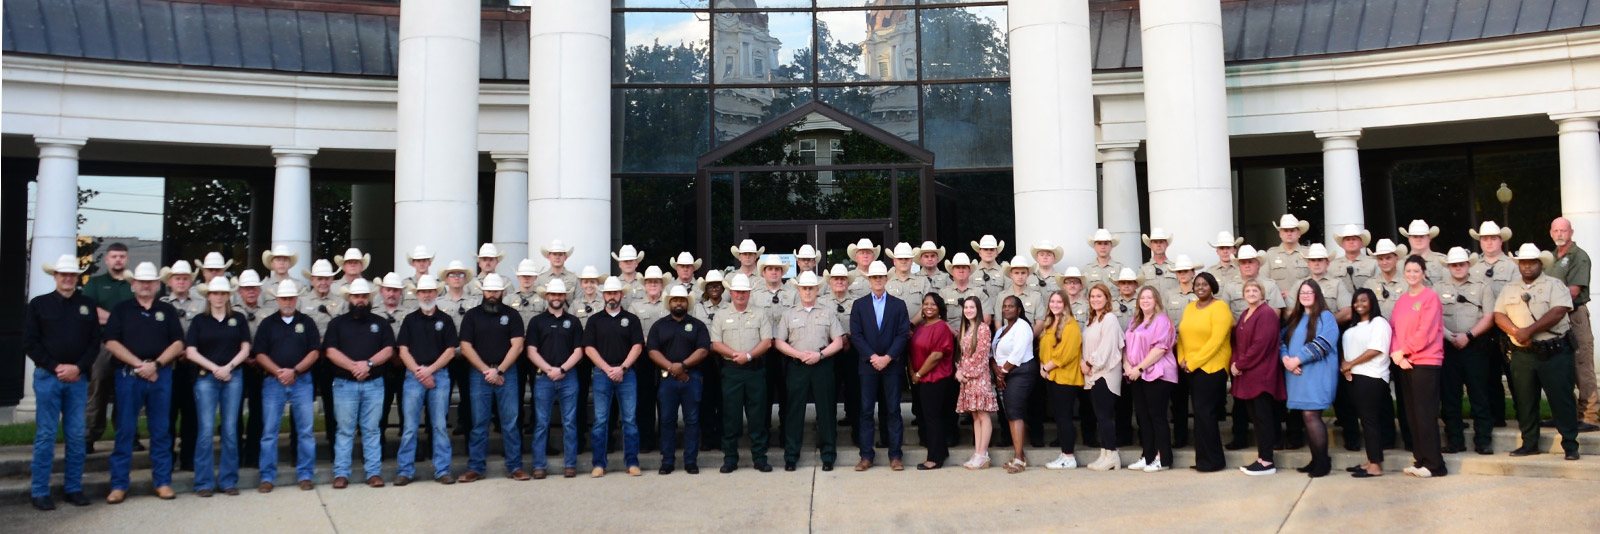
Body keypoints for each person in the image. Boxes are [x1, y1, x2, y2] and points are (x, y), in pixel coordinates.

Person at [103, 262, 184, 503]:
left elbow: (178, 343)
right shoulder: (121, 310)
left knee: (161, 431)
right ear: (133, 285)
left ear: (157, 284)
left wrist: (156, 365)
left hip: (161, 375)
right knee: (125, 430)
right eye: (141, 282)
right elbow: (111, 342)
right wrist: (140, 365)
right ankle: (118, 485)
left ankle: (162, 482)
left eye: (150, 282)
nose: (146, 285)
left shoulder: (167, 310)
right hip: (129, 375)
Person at [25, 254, 99, 510]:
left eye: (72, 275)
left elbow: (94, 343)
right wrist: (56, 367)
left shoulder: (87, 305)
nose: (68, 278)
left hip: (78, 380)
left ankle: (73, 488)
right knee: (46, 435)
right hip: (48, 377)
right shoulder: (38, 304)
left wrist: (77, 368)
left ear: (78, 278)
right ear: (55, 277)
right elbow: (30, 342)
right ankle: (39, 491)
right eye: (63, 274)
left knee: (77, 436)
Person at [1496, 243, 1581, 460]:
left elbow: (1558, 312)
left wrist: (1528, 331)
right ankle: (1529, 443)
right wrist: (1516, 332)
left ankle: (1570, 445)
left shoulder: (1555, 285)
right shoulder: (1510, 288)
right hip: (1522, 353)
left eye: (1532, 262)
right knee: (1525, 401)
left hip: (1554, 352)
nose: (1527, 266)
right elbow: (1499, 315)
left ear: (1540, 264)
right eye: (1523, 262)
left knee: (1561, 399)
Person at [322, 278, 396, 489]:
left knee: (372, 430)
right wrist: (353, 366)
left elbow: (389, 350)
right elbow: (330, 351)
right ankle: (341, 473)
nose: (360, 300)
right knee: (344, 430)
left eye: (364, 296)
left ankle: (373, 473)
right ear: (350, 298)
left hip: (374, 384)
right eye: (357, 296)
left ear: (369, 299)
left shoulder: (380, 323)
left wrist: (368, 364)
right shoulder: (337, 323)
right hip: (345, 384)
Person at [185, 277, 252, 497]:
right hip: (206, 378)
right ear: (208, 296)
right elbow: (191, 352)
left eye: (223, 293)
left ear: (228, 295)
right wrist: (216, 368)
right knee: (205, 430)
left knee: (230, 430)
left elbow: (245, 349)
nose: (219, 297)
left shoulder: (238, 319)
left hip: (233, 377)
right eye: (215, 293)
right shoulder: (199, 321)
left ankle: (228, 480)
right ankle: (203, 482)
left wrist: (229, 367)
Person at [775, 271, 847, 471]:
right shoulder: (788, 314)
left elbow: (839, 341)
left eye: (811, 288)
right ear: (799, 290)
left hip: (822, 365)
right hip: (797, 367)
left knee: (826, 411)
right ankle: (791, 456)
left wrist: (820, 355)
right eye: (804, 288)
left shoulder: (828, 312)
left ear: (817, 290)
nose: (807, 291)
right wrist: (798, 355)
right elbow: (779, 342)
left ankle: (828, 456)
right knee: (793, 412)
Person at [253, 280, 320, 492]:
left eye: (291, 298)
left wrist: (295, 371)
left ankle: (306, 474)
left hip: (302, 381)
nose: (288, 301)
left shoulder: (307, 322)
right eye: (284, 298)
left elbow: (314, 352)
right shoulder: (267, 324)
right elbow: (260, 354)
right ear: (277, 299)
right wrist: (278, 372)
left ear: (297, 299)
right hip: (274, 382)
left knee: (306, 431)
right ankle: (267, 476)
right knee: (269, 432)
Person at [394, 274, 457, 485]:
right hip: (414, 376)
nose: (427, 295)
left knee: (439, 425)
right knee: (410, 427)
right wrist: (419, 372)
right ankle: (405, 471)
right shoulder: (410, 320)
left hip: (439, 375)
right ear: (417, 294)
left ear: (436, 293)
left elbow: (450, 352)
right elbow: (402, 351)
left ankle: (442, 470)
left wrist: (429, 371)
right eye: (423, 291)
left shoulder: (445, 320)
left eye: (430, 291)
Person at [850, 261, 911, 471]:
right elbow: (856, 336)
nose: (877, 280)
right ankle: (866, 456)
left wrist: (888, 357)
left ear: (886, 279)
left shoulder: (898, 304)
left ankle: (895, 456)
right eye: (874, 277)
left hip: (891, 366)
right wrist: (873, 357)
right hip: (868, 367)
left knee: (893, 410)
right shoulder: (859, 305)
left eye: (881, 277)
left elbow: (903, 334)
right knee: (866, 411)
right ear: (869, 280)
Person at [711, 273, 774, 473]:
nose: (740, 295)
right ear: (731, 292)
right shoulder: (721, 315)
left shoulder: (760, 313)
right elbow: (716, 343)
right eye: (737, 291)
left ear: (749, 293)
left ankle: (760, 458)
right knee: (731, 417)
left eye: (744, 292)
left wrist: (748, 355)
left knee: (757, 416)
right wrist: (734, 355)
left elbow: (767, 342)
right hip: (731, 372)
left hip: (754, 370)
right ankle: (730, 458)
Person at [1390, 257, 1447, 478]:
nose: (1412, 274)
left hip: (1426, 362)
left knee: (1425, 414)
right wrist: (1397, 355)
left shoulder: (1430, 297)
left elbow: (1427, 331)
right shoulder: (1402, 300)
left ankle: (1435, 464)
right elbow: (1393, 328)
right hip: (1403, 362)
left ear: (1424, 273)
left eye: (1416, 270)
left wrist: (1404, 351)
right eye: (1408, 270)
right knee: (1411, 414)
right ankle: (1420, 459)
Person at [1437, 247, 1497, 454]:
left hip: (1475, 347)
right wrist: (1450, 337)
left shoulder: (1483, 287)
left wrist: (1468, 336)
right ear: (1449, 267)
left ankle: (1483, 441)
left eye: (1461, 264)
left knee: (1479, 396)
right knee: (1450, 397)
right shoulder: (1438, 288)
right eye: (1454, 264)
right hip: (1448, 347)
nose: (1458, 268)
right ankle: (1455, 441)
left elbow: (1489, 317)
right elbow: (1434, 318)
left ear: (1468, 265)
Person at [584, 277, 646, 477]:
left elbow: (638, 345)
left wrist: (623, 368)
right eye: (609, 293)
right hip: (602, 374)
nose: (612, 296)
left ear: (622, 295)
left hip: (627, 375)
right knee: (601, 420)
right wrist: (607, 368)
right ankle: (599, 464)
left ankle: (632, 462)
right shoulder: (594, 320)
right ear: (603, 295)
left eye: (615, 293)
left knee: (629, 420)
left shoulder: (632, 319)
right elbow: (589, 348)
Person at [526, 279, 587, 479]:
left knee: (570, 422)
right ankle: (539, 465)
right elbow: (531, 351)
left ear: (565, 297)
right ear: (547, 296)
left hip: (569, 376)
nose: (556, 298)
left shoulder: (574, 322)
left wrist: (561, 369)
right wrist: (548, 369)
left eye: (560, 295)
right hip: (543, 377)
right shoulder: (536, 322)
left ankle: (570, 464)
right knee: (541, 423)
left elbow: (579, 351)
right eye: (553, 295)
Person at [647, 285, 711, 475]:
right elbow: (652, 351)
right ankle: (667, 461)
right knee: (667, 420)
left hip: (692, 378)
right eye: (675, 300)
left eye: (682, 300)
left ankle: (690, 461)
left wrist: (682, 366)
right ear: (669, 303)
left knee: (692, 420)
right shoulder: (659, 325)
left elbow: (703, 350)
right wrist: (671, 368)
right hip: (667, 380)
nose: (679, 303)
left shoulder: (698, 325)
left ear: (687, 303)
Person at [1281, 280, 1340, 478]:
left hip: (1317, 373)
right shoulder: (1295, 318)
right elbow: (1282, 341)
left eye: (1310, 292)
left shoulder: (1326, 317)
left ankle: (1323, 462)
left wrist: (1298, 359)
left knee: (1311, 415)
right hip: (1297, 373)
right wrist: (1286, 359)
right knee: (1306, 417)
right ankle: (1316, 459)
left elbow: (1323, 343)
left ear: (1317, 295)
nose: (1305, 295)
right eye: (1302, 292)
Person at [1177, 272, 1234, 473]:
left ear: (1212, 287)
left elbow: (1216, 341)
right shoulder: (1190, 307)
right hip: (1191, 367)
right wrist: (1182, 359)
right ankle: (1203, 459)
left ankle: (1215, 460)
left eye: (1205, 284)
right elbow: (1182, 335)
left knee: (1205, 413)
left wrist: (1192, 362)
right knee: (1200, 415)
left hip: (1212, 367)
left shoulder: (1220, 308)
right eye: (1197, 284)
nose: (1201, 287)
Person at [1547, 217, 1596, 431]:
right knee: (1560, 367)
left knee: (1582, 365)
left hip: (1574, 315)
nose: (1559, 234)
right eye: (1556, 230)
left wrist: (1544, 303)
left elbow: (1573, 291)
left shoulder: (1579, 256)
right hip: (1553, 317)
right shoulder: (1549, 259)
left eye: (1563, 230)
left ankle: (1590, 416)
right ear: (1551, 233)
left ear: (1571, 232)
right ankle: (1564, 415)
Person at [84, 242, 132, 455]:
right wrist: (119, 320)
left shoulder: (134, 284)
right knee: (98, 389)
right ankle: (89, 436)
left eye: (122, 256)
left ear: (127, 259)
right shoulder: (95, 283)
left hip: (130, 347)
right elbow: (89, 310)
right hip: (102, 346)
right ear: (106, 259)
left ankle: (128, 435)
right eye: (114, 256)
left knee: (127, 391)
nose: (118, 260)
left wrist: (112, 320)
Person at [1230, 281, 1283, 476]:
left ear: (1262, 293)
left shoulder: (1267, 313)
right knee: (1255, 417)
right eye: (1248, 290)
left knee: (1263, 418)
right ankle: (1261, 458)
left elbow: (1261, 345)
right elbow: (1237, 342)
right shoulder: (1245, 314)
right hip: (1247, 373)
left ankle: (1267, 461)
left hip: (1262, 374)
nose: (1251, 293)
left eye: (1255, 290)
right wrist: (1235, 363)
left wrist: (1240, 364)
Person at [1123, 285, 1177, 472]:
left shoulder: (1162, 321)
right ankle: (1148, 456)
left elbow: (1160, 349)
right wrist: (1127, 366)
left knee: (1157, 417)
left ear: (1156, 301)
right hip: (1137, 374)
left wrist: (1139, 367)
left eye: (1149, 297)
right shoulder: (1134, 321)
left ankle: (1163, 458)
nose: (1145, 301)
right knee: (1143, 417)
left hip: (1158, 373)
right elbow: (1126, 346)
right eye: (1142, 298)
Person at [1363, 238, 1409, 450]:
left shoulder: (1408, 282)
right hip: (1378, 347)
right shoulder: (1370, 285)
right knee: (1380, 393)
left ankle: (1410, 438)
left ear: (1396, 258)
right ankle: (1386, 438)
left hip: (1404, 346)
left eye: (1388, 257)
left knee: (1405, 393)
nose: (1384, 261)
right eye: (1380, 258)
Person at [158, 260, 203, 474]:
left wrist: (191, 351)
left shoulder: (202, 303)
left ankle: (188, 458)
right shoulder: (163, 304)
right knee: (168, 414)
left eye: (185, 278)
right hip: (169, 365)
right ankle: (167, 458)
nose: (182, 282)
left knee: (192, 415)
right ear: (170, 281)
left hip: (194, 366)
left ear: (191, 281)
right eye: (178, 278)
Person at [1341, 289, 1392, 478]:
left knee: (1370, 421)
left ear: (1372, 302)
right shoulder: (1352, 327)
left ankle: (1376, 466)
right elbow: (1347, 353)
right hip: (1354, 378)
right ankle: (1370, 461)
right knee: (1365, 420)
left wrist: (1351, 364)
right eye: (1356, 301)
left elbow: (1376, 349)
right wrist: (1346, 369)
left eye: (1364, 300)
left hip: (1372, 377)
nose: (1359, 304)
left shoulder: (1379, 323)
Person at [908, 293, 957, 470]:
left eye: (933, 304)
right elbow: (911, 351)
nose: (929, 307)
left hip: (935, 379)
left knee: (933, 418)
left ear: (940, 308)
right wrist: (913, 372)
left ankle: (934, 458)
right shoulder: (921, 327)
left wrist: (919, 374)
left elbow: (937, 355)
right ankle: (941, 451)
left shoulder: (941, 327)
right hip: (920, 379)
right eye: (926, 304)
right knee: (926, 417)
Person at [989, 295, 1037, 473]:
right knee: (1010, 413)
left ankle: (1019, 458)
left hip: (1020, 373)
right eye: (1005, 306)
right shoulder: (1002, 329)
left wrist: (1002, 372)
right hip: (1005, 375)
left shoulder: (1023, 327)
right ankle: (1017, 455)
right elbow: (992, 353)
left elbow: (1017, 354)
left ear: (1019, 310)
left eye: (1011, 306)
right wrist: (997, 371)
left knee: (1015, 413)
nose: (1007, 309)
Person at [1036, 290, 1083, 470]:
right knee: (1059, 416)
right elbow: (1044, 349)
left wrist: (1048, 367)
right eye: (1052, 302)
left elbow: (1068, 353)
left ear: (1065, 304)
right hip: (1051, 376)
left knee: (1064, 417)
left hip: (1065, 377)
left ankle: (1069, 456)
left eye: (1059, 302)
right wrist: (1042, 365)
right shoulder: (1050, 324)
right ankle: (1063, 453)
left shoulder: (1071, 325)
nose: (1055, 305)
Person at [1079, 286, 1124, 471]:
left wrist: (1090, 364)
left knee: (1105, 416)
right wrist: (1084, 363)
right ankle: (1104, 453)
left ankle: (1112, 455)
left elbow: (1107, 348)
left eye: (1099, 296)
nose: (1095, 299)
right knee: (1099, 415)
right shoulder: (1092, 321)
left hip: (1105, 374)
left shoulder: (1110, 319)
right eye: (1092, 296)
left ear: (1107, 298)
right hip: (1092, 373)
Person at [953, 297, 998, 469]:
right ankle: (977, 452)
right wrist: (958, 370)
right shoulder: (966, 328)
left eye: (972, 307)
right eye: (966, 307)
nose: (969, 310)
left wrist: (965, 373)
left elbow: (981, 355)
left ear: (978, 309)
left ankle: (983, 453)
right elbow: (962, 354)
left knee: (983, 415)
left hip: (979, 377)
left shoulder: (983, 328)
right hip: (966, 378)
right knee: (975, 415)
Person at [1263, 215, 1312, 302]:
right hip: (1277, 304)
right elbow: (1264, 281)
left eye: (1292, 230)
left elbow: (1314, 280)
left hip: (1302, 304)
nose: (1289, 233)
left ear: (1299, 233)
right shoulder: (1270, 255)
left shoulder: (1309, 254)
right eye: (1285, 230)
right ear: (1280, 234)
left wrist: (1294, 294)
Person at [939, 253, 990, 331]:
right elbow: (939, 319)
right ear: (952, 271)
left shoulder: (980, 292)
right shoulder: (943, 293)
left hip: (974, 336)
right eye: (957, 267)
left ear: (969, 270)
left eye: (964, 267)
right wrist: (955, 333)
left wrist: (968, 334)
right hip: (949, 336)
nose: (961, 270)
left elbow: (987, 319)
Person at [993, 255, 1046, 323]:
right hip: (1007, 333)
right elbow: (998, 322)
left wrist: (1028, 334)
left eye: (1023, 273)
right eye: (1016, 273)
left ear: (1028, 274)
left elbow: (1040, 324)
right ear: (1011, 275)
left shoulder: (1036, 297)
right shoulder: (1002, 296)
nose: (1020, 276)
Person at [1398, 219, 1449, 285]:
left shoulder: (1442, 261)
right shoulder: (1400, 264)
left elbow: (1449, 288)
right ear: (1409, 239)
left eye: (1422, 236)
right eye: (1415, 236)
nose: (1418, 239)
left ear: (1429, 238)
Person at [1329, 225, 1377, 292]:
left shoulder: (1373, 263)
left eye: (1354, 239)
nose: (1351, 242)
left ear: (1361, 243)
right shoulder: (1332, 265)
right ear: (1342, 244)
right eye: (1347, 239)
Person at [1139, 229, 1179, 296]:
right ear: (1151, 245)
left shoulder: (1176, 268)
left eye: (1161, 242)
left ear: (1167, 244)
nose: (1158, 245)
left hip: (1172, 306)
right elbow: (1139, 294)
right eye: (1155, 242)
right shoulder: (1143, 270)